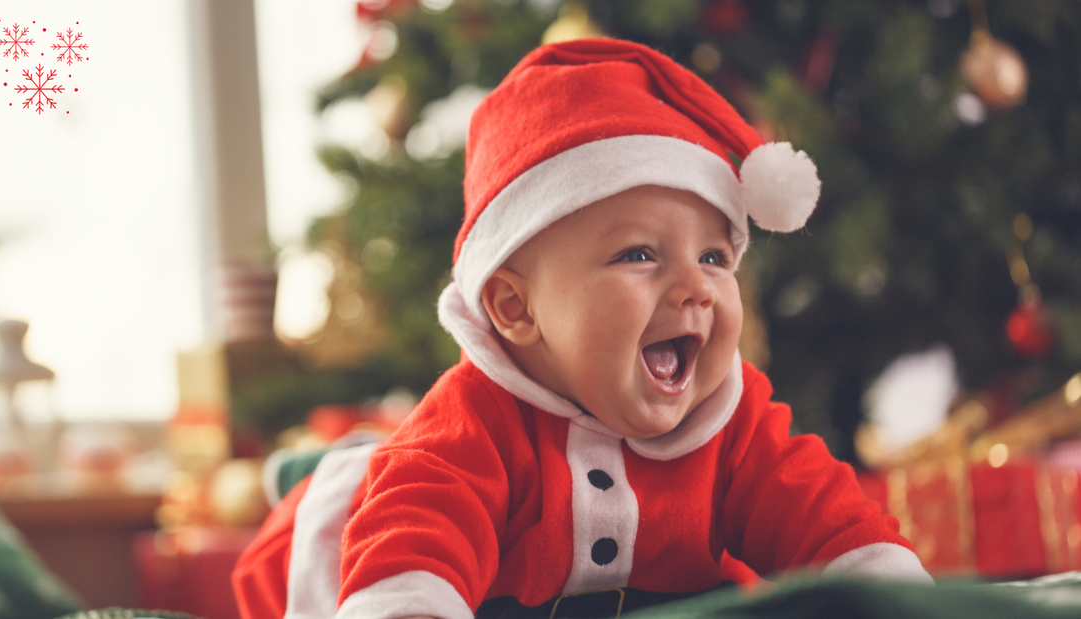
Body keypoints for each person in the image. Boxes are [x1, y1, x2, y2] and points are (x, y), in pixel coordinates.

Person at [233, 38, 932, 619]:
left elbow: (829, 517)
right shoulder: (474, 421)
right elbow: (419, 534)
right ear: (516, 309)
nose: (695, 287)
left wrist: (887, 584)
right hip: (364, 535)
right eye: (640, 255)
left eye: (715, 257)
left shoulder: (733, 421)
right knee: (357, 497)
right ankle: (324, 470)